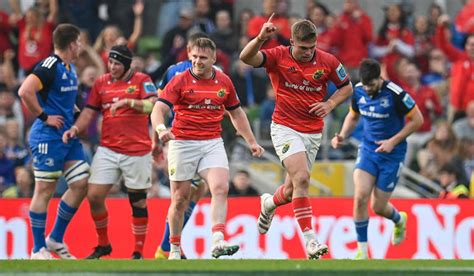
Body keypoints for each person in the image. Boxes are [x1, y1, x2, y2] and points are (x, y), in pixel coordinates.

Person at [240, 18, 353, 259]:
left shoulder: (328, 61)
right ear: (292, 42)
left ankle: (269, 204)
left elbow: (347, 87)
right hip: (284, 127)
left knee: (293, 190)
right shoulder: (278, 56)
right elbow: (246, 58)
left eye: (312, 47)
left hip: (312, 131)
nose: (308, 52)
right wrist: (260, 38)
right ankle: (311, 241)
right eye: (303, 48)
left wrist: (330, 103)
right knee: (302, 178)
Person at [151, 37, 264, 259]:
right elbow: (158, 109)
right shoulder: (179, 80)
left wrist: (252, 141)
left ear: (214, 58)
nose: (197, 61)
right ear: (189, 55)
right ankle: (172, 248)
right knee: (180, 199)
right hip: (182, 143)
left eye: (203, 57)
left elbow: (237, 113)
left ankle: (218, 240)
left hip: (212, 142)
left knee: (220, 188)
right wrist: (162, 129)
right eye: (194, 57)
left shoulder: (223, 81)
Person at [63, 45, 157, 260]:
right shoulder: (101, 82)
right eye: (111, 62)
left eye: (117, 63)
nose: (112, 67)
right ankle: (103, 244)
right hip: (108, 148)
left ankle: (138, 252)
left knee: (138, 202)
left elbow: (153, 105)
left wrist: (129, 102)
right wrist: (76, 128)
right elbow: (89, 112)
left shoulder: (142, 79)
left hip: (137, 149)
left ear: (126, 64)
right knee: (94, 196)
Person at [331, 58, 423, 259]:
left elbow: (418, 120)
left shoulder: (396, 94)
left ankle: (399, 220)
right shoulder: (358, 90)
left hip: (392, 154)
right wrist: (342, 135)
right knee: (361, 196)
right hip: (368, 150)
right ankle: (362, 252)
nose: (368, 89)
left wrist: (393, 140)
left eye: (371, 85)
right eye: (365, 85)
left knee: (378, 207)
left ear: (379, 78)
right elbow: (353, 116)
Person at [18, 23, 89, 259]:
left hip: (67, 136)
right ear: (71, 44)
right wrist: (44, 116)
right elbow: (25, 90)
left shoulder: (70, 67)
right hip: (47, 137)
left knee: (80, 184)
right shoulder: (49, 66)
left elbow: (62, 98)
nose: (80, 46)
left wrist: (74, 112)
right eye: (78, 42)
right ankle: (37, 248)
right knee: (44, 190)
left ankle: (55, 238)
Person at [153, 32, 212, 260]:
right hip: (181, 138)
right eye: (194, 51)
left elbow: (157, 106)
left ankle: (167, 246)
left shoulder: (174, 70)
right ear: (189, 50)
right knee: (184, 194)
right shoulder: (179, 73)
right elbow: (159, 106)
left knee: (195, 191)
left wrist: (155, 140)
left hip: (182, 137)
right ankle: (168, 247)